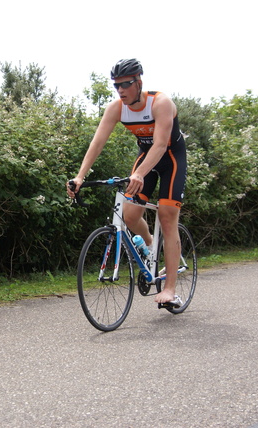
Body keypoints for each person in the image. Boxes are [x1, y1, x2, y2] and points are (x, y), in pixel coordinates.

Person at [67, 58, 187, 306]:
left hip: (171, 158)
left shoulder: (160, 103)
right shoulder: (116, 108)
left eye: (125, 84)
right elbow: (97, 143)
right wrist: (80, 176)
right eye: (116, 86)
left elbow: (161, 144)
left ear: (139, 82)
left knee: (166, 215)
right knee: (130, 215)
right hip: (146, 159)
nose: (120, 90)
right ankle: (152, 247)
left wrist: (140, 173)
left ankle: (170, 289)